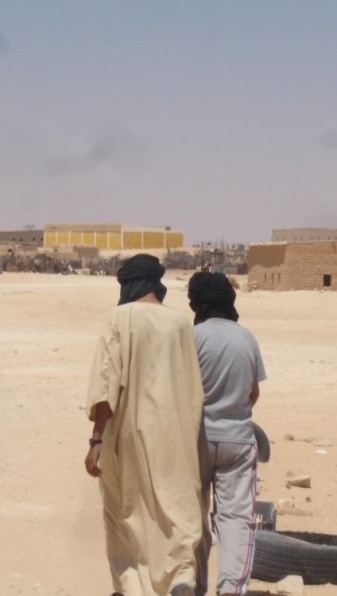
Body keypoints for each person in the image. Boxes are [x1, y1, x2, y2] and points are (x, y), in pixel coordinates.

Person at [85, 253, 205, 596]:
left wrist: (96, 441)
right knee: (174, 506)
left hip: (129, 433)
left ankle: (133, 587)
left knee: (125, 513)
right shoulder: (182, 324)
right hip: (176, 432)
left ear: (128, 284)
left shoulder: (117, 319)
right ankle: (181, 576)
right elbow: (194, 387)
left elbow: (107, 386)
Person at [187, 272, 267, 596]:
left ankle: (193, 586)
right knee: (235, 518)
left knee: (192, 517)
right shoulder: (246, 338)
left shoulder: (190, 336)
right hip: (236, 441)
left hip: (194, 440)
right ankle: (231, 588)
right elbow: (253, 393)